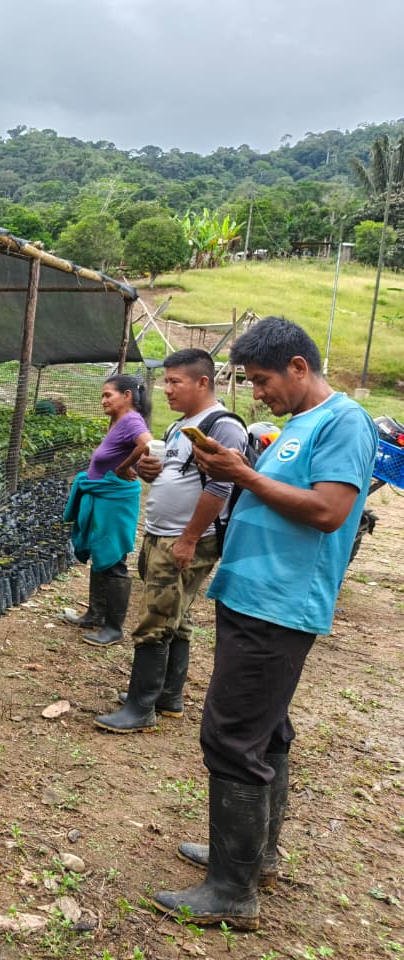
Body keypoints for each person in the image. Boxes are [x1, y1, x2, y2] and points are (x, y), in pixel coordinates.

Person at [153, 317, 376, 930]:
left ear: (299, 367)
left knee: (231, 737)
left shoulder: (343, 422)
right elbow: (271, 492)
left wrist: (244, 475)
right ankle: (254, 859)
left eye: (261, 380)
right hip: (252, 595)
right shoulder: (298, 425)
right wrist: (229, 470)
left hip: (279, 604)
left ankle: (232, 891)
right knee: (266, 729)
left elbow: (329, 511)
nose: (256, 394)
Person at [94, 349, 248, 733]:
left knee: (155, 619)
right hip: (162, 534)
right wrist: (149, 470)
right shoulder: (179, 427)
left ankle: (139, 707)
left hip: (186, 538)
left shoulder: (223, 426)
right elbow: (173, 475)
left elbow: (221, 487)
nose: (166, 389)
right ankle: (167, 696)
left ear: (202, 382)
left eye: (175, 381)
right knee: (175, 617)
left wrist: (189, 539)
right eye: (166, 381)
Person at [62, 373, 152, 646]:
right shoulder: (118, 421)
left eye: (108, 395)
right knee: (101, 554)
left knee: (114, 561)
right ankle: (95, 614)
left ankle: (113, 628)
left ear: (127, 396)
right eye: (102, 395)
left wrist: (124, 466)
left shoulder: (132, 420)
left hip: (114, 501)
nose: (103, 400)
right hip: (103, 498)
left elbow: (147, 444)